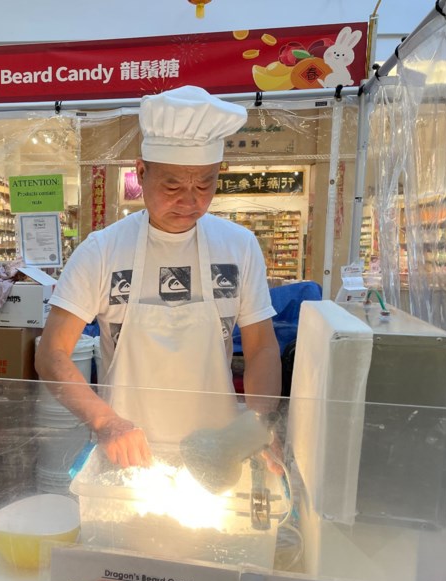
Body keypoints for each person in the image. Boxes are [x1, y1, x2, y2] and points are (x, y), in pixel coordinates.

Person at [35, 85, 282, 468]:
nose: (191, 201)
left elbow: (262, 348)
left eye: (205, 184)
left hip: (219, 455)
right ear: (141, 171)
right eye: (173, 185)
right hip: (128, 457)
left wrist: (260, 424)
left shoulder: (239, 247)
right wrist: (105, 422)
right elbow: (51, 355)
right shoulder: (102, 250)